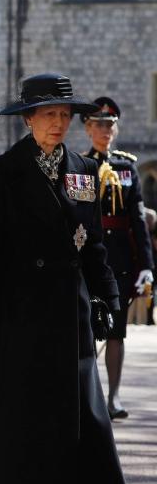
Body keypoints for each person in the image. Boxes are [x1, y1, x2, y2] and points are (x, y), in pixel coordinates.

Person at [0, 72, 129, 484]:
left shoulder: (82, 169)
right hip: (21, 315)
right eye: (49, 115)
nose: (59, 124)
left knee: (75, 420)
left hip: (71, 311)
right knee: (32, 420)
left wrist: (109, 297)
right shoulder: (3, 171)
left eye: (65, 116)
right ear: (29, 119)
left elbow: (93, 242)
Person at [81, 97, 154, 419]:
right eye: (98, 124)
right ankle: (86, 395)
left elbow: (138, 221)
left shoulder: (126, 167)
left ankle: (113, 397)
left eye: (110, 125)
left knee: (116, 330)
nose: (105, 130)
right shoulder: (80, 165)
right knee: (85, 328)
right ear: (87, 128)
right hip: (89, 257)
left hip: (121, 260)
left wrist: (147, 267)